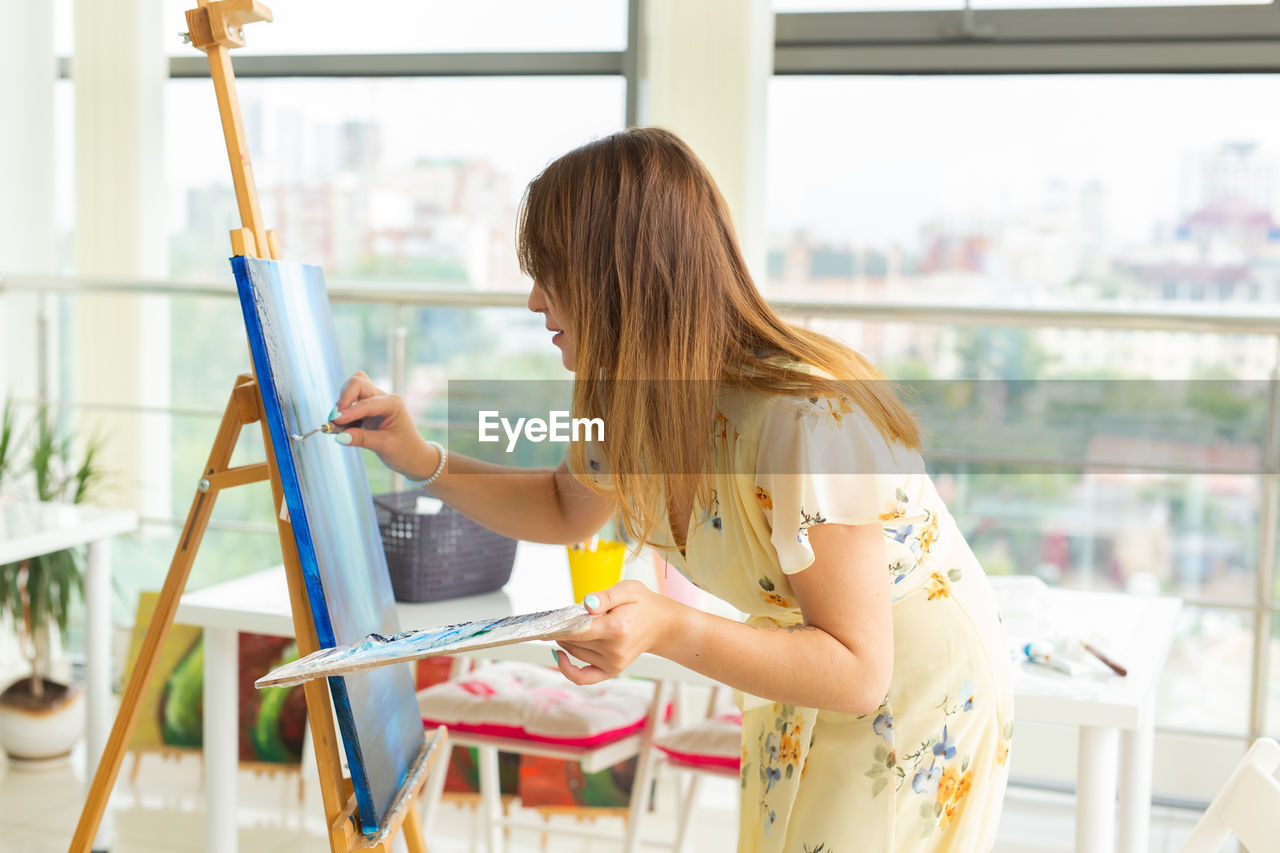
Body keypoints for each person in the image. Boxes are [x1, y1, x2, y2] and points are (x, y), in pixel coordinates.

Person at [331, 127, 1013, 852]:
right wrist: (420, 456)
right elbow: (565, 506)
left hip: (911, 689)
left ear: (624, 279)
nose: (534, 301)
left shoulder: (808, 422)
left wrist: (667, 626)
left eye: (552, 272)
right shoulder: (633, 399)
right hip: (809, 666)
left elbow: (856, 670)